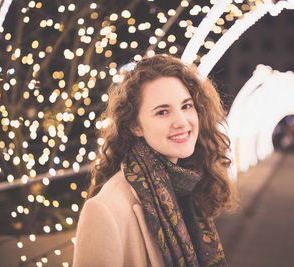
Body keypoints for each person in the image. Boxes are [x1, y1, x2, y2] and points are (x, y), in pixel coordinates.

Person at [73, 54, 237, 267]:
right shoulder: (104, 210)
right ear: (135, 126)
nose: (181, 121)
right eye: (162, 112)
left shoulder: (187, 184)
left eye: (186, 106)